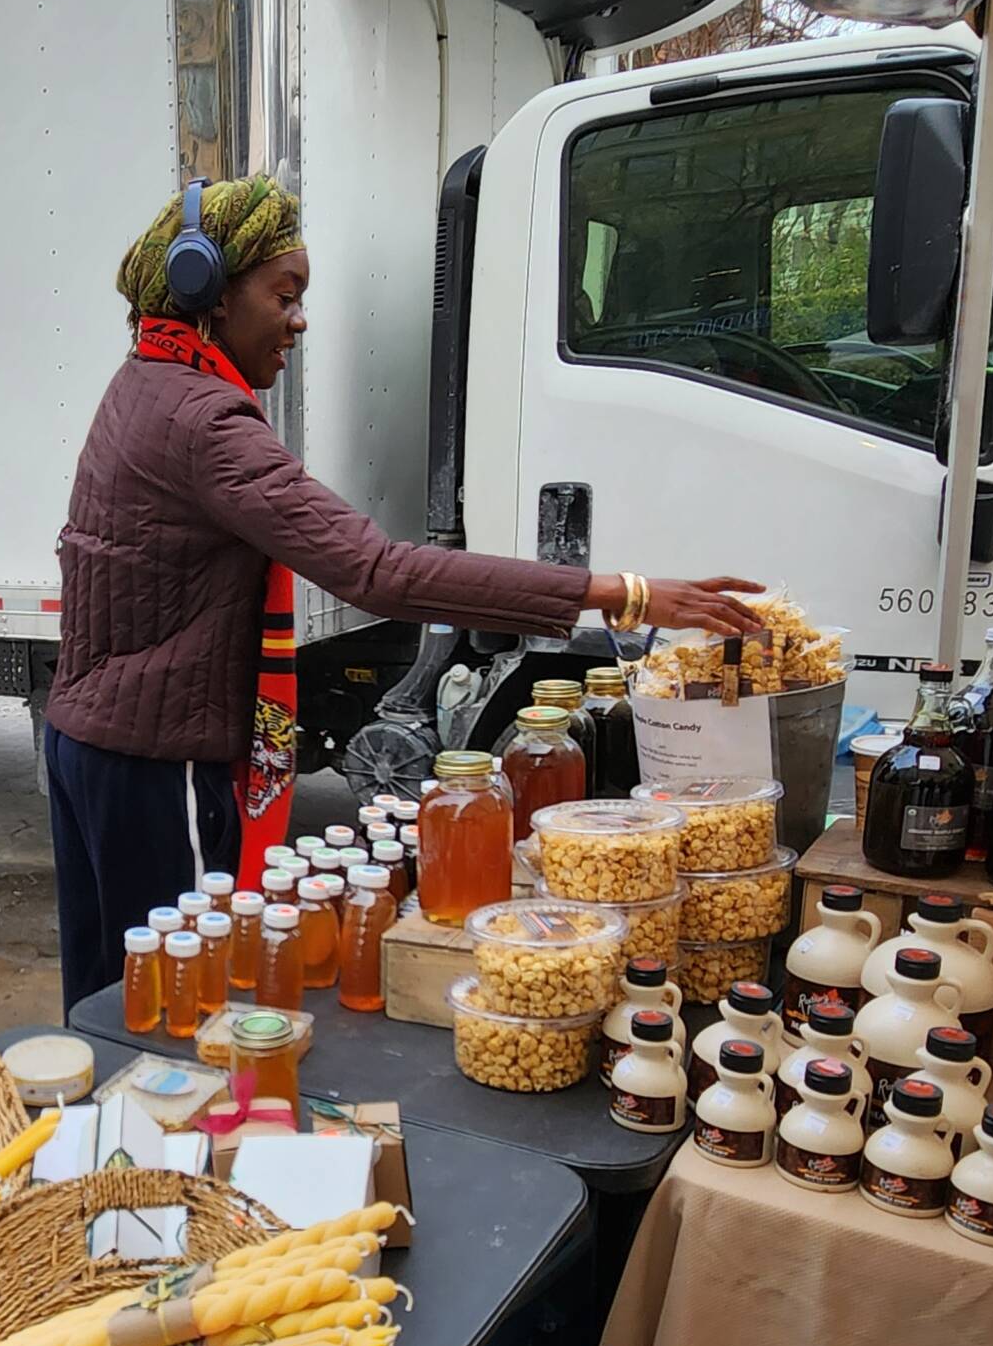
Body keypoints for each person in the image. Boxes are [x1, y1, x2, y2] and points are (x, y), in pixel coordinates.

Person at [44, 175, 764, 1012]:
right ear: (207, 291)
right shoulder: (206, 421)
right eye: (285, 294)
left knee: (107, 1002)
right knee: (177, 1009)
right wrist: (620, 592)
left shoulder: (143, 382)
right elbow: (378, 571)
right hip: (156, 768)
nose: (299, 320)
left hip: (90, 743)